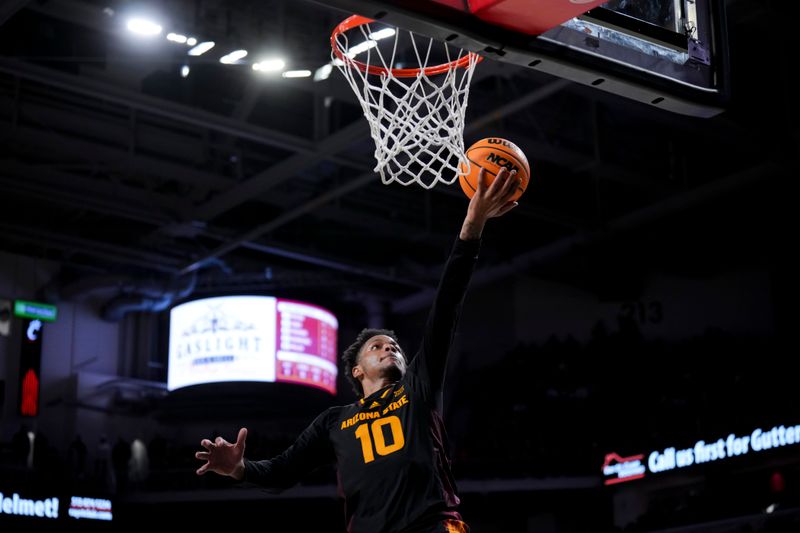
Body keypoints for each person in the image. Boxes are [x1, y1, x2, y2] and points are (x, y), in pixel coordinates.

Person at [195, 167, 521, 533]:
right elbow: (280, 472)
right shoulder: (333, 422)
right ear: (356, 370)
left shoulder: (417, 388)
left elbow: (446, 307)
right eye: (377, 346)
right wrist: (238, 468)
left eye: (394, 345)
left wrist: (471, 225)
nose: (390, 348)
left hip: (432, 526)